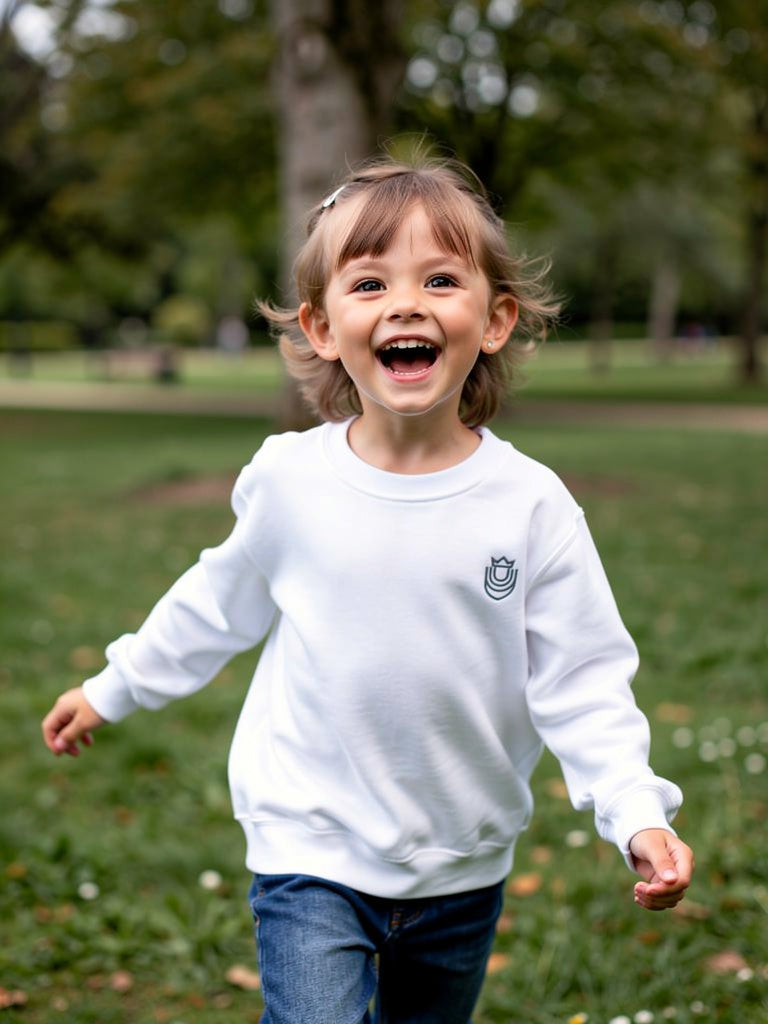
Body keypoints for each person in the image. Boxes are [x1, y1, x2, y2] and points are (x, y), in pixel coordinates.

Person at [42, 156, 694, 1024]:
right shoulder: (289, 481)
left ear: (496, 319)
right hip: (309, 843)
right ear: (320, 325)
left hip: (461, 861)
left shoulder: (532, 506)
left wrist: (636, 811)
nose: (406, 303)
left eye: (440, 279)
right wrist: (114, 683)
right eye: (370, 282)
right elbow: (215, 603)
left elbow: (582, 682)